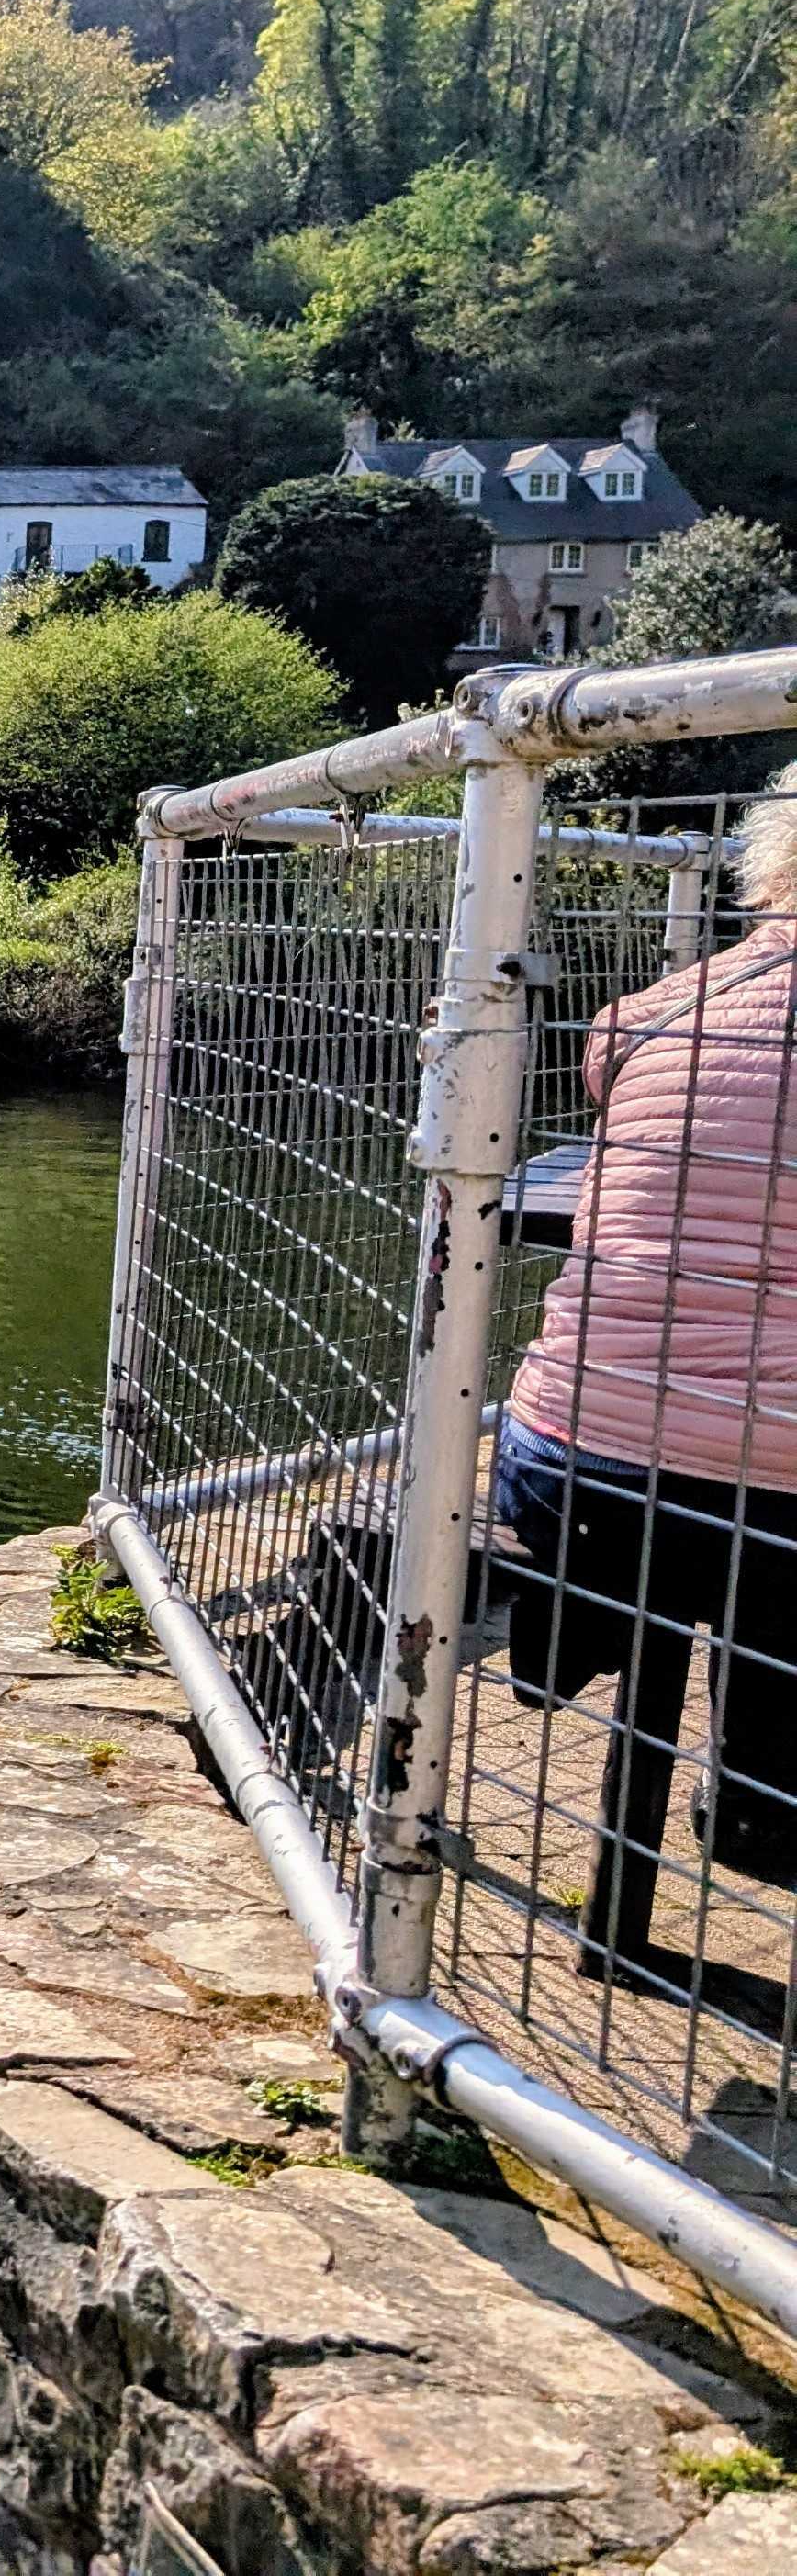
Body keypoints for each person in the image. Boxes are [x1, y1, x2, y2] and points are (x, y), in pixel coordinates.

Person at [496, 765, 797, 1967]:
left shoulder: (650, 1016)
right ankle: (763, 1797)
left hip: (574, 1462)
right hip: (773, 1508)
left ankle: (570, 1629)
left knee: (678, 1503)